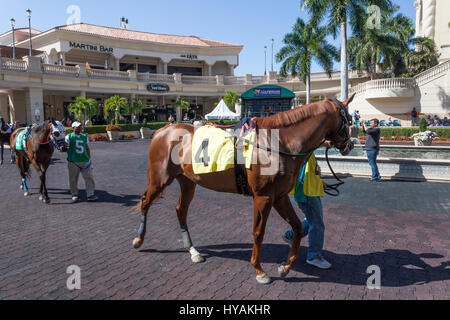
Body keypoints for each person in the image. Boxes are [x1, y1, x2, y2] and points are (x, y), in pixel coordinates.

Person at [282, 151, 332, 269]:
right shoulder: (304, 147)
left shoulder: (308, 148)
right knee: (317, 223)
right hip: (307, 192)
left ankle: (291, 236)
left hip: (309, 190)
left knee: (312, 220)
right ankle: (314, 257)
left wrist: (320, 182)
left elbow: (310, 169)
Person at [65, 122, 98, 203]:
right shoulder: (68, 136)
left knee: (89, 177)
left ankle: (90, 194)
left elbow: (87, 148)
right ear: (73, 128)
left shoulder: (84, 136)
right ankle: (74, 194)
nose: (79, 128)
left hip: (85, 160)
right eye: (77, 127)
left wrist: (89, 159)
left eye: (80, 127)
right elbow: (65, 146)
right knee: (73, 179)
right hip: (73, 161)